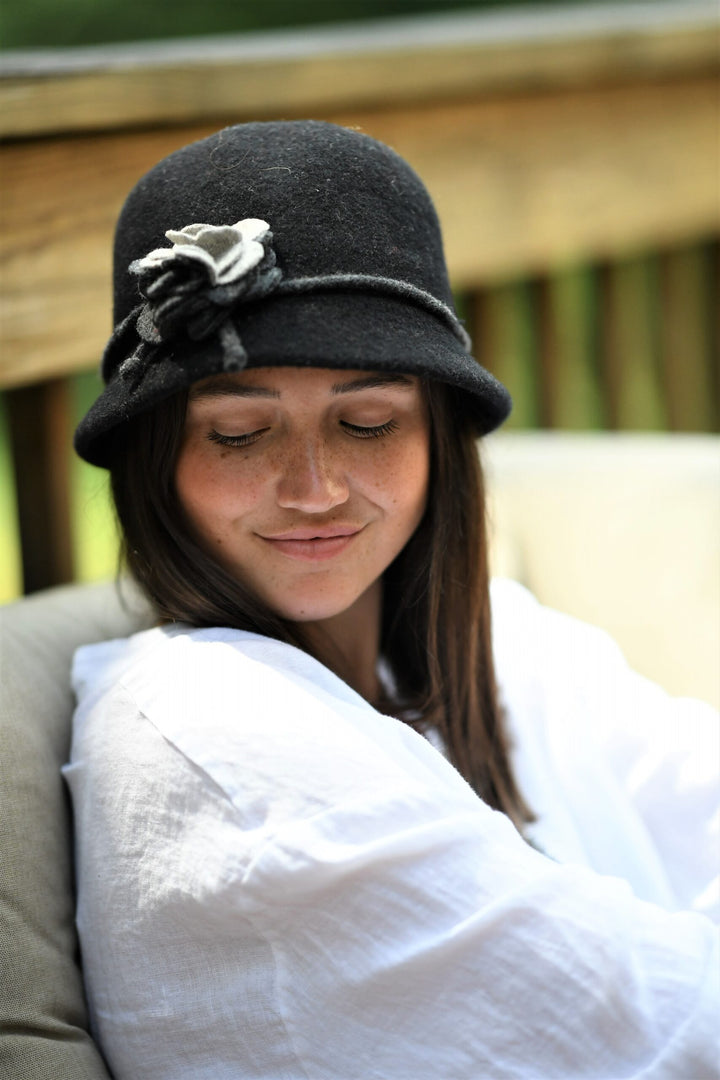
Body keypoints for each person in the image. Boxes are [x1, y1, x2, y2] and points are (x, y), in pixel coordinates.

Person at [64, 120, 718, 1080]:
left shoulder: (507, 645)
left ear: (437, 440)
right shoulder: (212, 737)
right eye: (240, 434)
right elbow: (653, 1027)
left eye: (368, 422)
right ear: (154, 467)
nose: (316, 486)